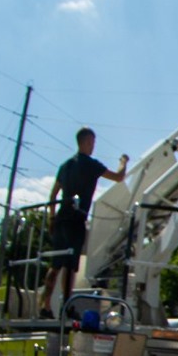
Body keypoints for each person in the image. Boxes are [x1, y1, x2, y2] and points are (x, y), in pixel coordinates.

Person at [41, 127, 129, 316]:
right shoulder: (91, 165)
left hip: (61, 219)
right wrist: (123, 162)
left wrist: (51, 217)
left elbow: (53, 195)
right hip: (76, 220)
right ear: (87, 142)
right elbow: (119, 177)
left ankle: (45, 305)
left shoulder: (65, 166)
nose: (94, 146)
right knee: (71, 267)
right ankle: (67, 305)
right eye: (93, 142)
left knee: (55, 265)